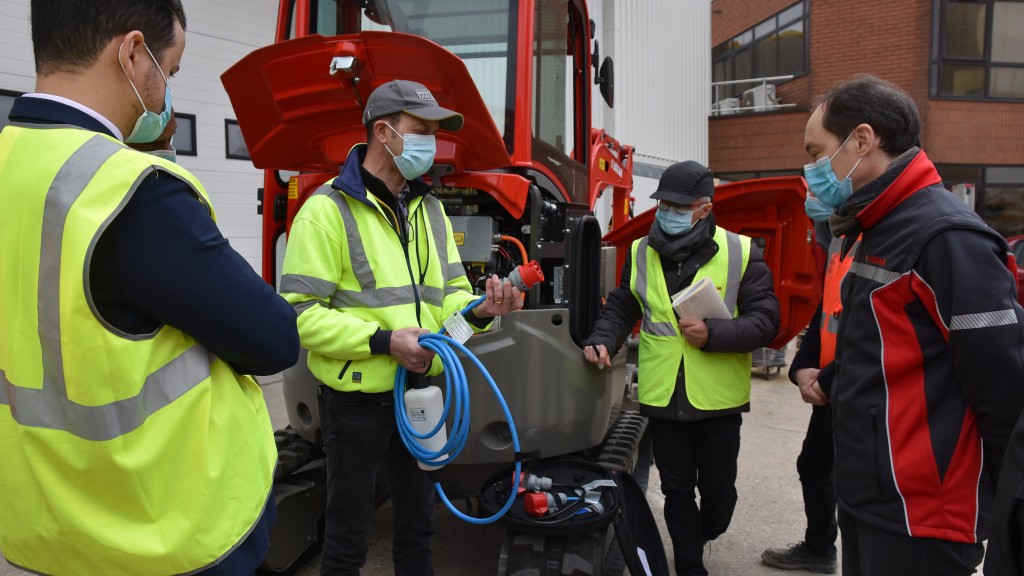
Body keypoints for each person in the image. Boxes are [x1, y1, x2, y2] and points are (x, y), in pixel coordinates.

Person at [0, 1, 300, 575]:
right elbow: (274, 339)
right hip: (163, 533)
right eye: (171, 71)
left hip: (43, 534)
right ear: (134, 53)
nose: (165, 97)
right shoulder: (130, 192)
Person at [278, 79, 521, 576]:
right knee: (347, 539)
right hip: (355, 403)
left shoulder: (429, 209)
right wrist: (385, 341)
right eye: (421, 130)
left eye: (434, 131)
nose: (431, 143)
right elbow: (300, 314)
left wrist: (481, 309)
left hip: (420, 394)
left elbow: (449, 297)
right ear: (383, 131)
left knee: (418, 529)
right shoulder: (326, 211)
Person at [801, 74, 1024, 576]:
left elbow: (1003, 389)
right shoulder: (876, 225)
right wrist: (830, 378)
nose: (810, 170)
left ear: (862, 140)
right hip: (870, 496)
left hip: (922, 517)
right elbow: (891, 347)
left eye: (817, 152)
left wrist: (1007, 511)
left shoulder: (946, 238)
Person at [583, 160, 780, 576]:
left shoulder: (741, 252)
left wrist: (714, 334)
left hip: (717, 400)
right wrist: (603, 337)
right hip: (662, 395)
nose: (667, 213)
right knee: (675, 491)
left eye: (678, 205)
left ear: (704, 209)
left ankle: (707, 529)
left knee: (718, 496)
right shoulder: (640, 251)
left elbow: (766, 322)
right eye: (663, 204)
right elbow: (623, 305)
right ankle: (690, 565)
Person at [760, 214, 839, 574]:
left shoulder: (875, 239)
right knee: (815, 465)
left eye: (820, 155)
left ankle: (824, 549)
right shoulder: (841, 242)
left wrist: (830, 377)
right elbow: (827, 314)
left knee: (851, 480)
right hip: (832, 388)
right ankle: (820, 547)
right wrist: (802, 367)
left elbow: (873, 330)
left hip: (856, 387)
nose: (816, 172)